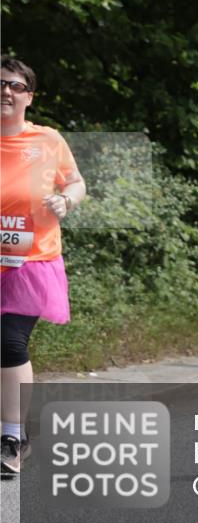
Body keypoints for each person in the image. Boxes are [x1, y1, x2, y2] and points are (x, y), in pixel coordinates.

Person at [1, 56, 86, 477]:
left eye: (15, 86)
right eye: (0, 84)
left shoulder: (48, 140)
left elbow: (76, 181)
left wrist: (66, 199)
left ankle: (13, 437)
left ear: (28, 97)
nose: (6, 91)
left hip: (30, 261)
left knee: (9, 341)